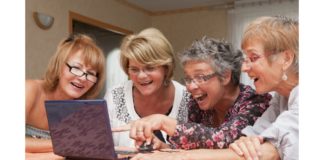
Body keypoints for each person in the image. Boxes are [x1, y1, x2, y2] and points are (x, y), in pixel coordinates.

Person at [130, 15, 298, 160]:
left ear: (286, 59)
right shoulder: (280, 99)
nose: (245, 68)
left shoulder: (258, 101)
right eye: (188, 79)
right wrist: (164, 149)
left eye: (253, 58)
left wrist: (171, 143)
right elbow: (249, 140)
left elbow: (259, 150)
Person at [115, 36, 272, 150]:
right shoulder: (197, 103)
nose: (191, 87)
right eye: (188, 79)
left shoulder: (256, 101)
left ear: (225, 76)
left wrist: (163, 121)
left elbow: (223, 139)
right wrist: (163, 146)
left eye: (200, 77)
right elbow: (188, 148)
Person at [105, 27, 190, 148]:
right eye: (134, 69)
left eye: (150, 68)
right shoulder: (114, 97)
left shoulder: (188, 99)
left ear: (166, 68)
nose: (141, 76)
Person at [25, 34, 106, 159]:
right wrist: (65, 144)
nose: (82, 78)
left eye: (90, 73)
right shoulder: (29, 89)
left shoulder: (82, 112)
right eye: (76, 68)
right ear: (59, 65)